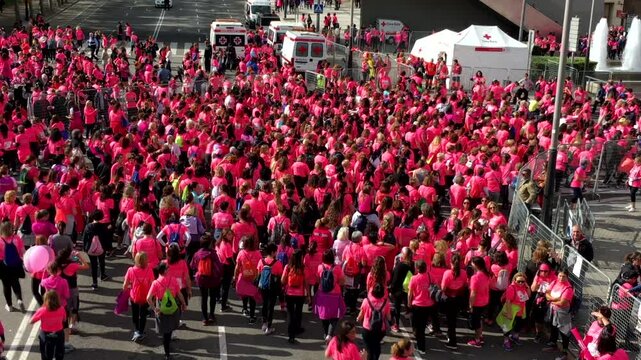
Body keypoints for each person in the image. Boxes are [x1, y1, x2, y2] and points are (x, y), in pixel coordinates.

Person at [147, 262, 187, 360]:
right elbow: (179, 294)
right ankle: (168, 349)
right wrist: (184, 304)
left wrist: (154, 308)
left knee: (165, 331)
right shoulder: (173, 280)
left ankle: (167, 352)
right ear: (164, 271)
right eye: (167, 268)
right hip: (173, 307)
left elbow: (148, 298)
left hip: (162, 309)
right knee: (170, 330)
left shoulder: (155, 283)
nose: (169, 269)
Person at [191, 234, 223, 325]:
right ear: (210, 243)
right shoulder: (213, 253)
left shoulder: (197, 254)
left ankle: (204, 318)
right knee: (212, 297)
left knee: (203, 298)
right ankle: (212, 315)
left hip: (201, 278)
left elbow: (192, 265)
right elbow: (219, 266)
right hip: (212, 278)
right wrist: (220, 276)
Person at [407, 259, 437, 355]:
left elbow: (410, 293)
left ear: (417, 268)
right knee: (422, 325)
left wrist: (408, 303)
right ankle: (419, 339)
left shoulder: (414, 278)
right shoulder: (430, 276)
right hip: (428, 305)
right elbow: (436, 286)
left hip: (418, 305)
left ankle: (421, 347)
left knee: (419, 328)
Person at [315, 249, 346, 341]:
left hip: (322, 294)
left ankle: (325, 333)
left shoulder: (320, 267)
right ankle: (330, 334)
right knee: (335, 316)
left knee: (323, 315)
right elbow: (342, 281)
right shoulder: (337, 268)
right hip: (335, 294)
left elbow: (317, 280)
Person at [543, 269, 574, 360]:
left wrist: (551, 300)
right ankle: (553, 344)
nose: (561, 278)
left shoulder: (568, 288)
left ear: (567, 277)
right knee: (553, 327)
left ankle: (565, 352)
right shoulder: (555, 281)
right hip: (553, 310)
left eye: (563, 276)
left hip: (563, 313)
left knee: (564, 332)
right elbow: (547, 294)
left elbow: (563, 303)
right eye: (560, 275)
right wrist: (556, 299)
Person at [123, 252, 154, 342]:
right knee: (143, 314)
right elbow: (152, 284)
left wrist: (126, 291)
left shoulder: (131, 270)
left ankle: (136, 330)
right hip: (145, 296)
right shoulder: (149, 270)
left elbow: (125, 285)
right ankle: (141, 331)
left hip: (134, 296)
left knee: (135, 314)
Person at [357, 283, 391, 360]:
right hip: (380, 329)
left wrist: (358, 319)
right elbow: (389, 317)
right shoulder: (386, 302)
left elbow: (360, 316)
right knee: (376, 346)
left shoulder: (366, 301)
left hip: (367, 329)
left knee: (368, 348)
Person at [441, 253, 467, 350]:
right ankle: (450, 335)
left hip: (449, 299)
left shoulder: (447, 273)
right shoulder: (463, 273)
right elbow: (464, 285)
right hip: (459, 298)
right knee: (453, 319)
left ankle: (452, 342)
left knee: (451, 321)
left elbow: (443, 288)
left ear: (450, 262)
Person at [31, 291, 67, 360]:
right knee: (59, 352)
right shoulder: (62, 309)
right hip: (59, 333)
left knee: (46, 354)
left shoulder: (42, 310)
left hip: (46, 334)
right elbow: (64, 319)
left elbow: (31, 321)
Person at [257, 242, 283, 334]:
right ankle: (269, 326)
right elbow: (280, 275)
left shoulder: (261, 261)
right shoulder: (278, 263)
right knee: (270, 306)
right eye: (276, 251)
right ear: (272, 252)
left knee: (264, 304)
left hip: (263, 286)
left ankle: (264, 323)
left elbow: (259, 273)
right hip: (273, 287)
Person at [234, 235, 261, 324]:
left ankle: (245, 309)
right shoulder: (258, 253)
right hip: (254, 278)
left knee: (244, 295)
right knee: (252, 298)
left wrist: (235, 277)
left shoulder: (241, 253)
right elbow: (260, 267)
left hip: (243, 277)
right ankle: (252, 317)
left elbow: (237, 267)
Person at [282, 249, 307, 344]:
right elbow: (306, 282)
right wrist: (308, 295)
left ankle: (291, 335)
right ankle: (297, 328)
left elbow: (283, 280)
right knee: (298, 312)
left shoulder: (288, 267)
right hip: (300, 294)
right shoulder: (303, 268)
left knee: (290, 313)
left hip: (289, 293)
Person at [501, 272, 531, 352]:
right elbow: (508, 301)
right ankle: (506, 341)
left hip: (521, 310)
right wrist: (509, 313)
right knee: (508, 326)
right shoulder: (511, 288)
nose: (521, 283)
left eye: (523, 281)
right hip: (512, 309)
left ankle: (515, 337)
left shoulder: (525, 287)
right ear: (514, 280)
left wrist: (528, 287)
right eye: (519, 281)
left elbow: (528, 296)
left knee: (519, 325)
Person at [82, 210, 111, 290]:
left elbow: (84, 238)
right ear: (101, 217)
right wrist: (108, 247)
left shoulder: (88, 226)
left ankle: (94, 283)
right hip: (101, 247)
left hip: (91, 248)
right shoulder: (103, 226)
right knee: (102, 261)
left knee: (93, 265)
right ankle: (102, 275)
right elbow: (107, 238)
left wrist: (85, 248)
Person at [0, 220, 25, 312]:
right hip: (16, 264)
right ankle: (19, 299)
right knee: (16, 283)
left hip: (3, 266)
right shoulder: (16, 238)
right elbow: (22, 251)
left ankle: (9, 305)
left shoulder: (0, 240)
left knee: (6, 285)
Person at [468, 256, 491, 348]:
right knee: (479, 319)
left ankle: (477, 340)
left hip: (477, 303)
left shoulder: (475, 277)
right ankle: (480, 335)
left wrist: (470, 305)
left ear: (476, 265)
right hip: (485, 301)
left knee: (476, 322)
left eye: (472, 263)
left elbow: (473, 293)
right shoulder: (486, 274)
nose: (471, 264)